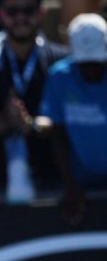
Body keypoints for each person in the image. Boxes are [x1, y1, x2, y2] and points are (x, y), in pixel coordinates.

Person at [0, 0, 69, 200]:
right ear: (1, 14)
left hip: (54, 185)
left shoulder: (61, 62)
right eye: (12, 11)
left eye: (28, 10)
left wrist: (31, 125)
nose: (20, 17)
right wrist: (5, 120)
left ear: (42, 12)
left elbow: (70, 125)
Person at [38, 13, 107, 225]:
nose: (90, 70)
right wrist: (69, 185)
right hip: (78, 181)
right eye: (84, 64)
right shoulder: (60, 77)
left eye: (96, 63)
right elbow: (57, 132)